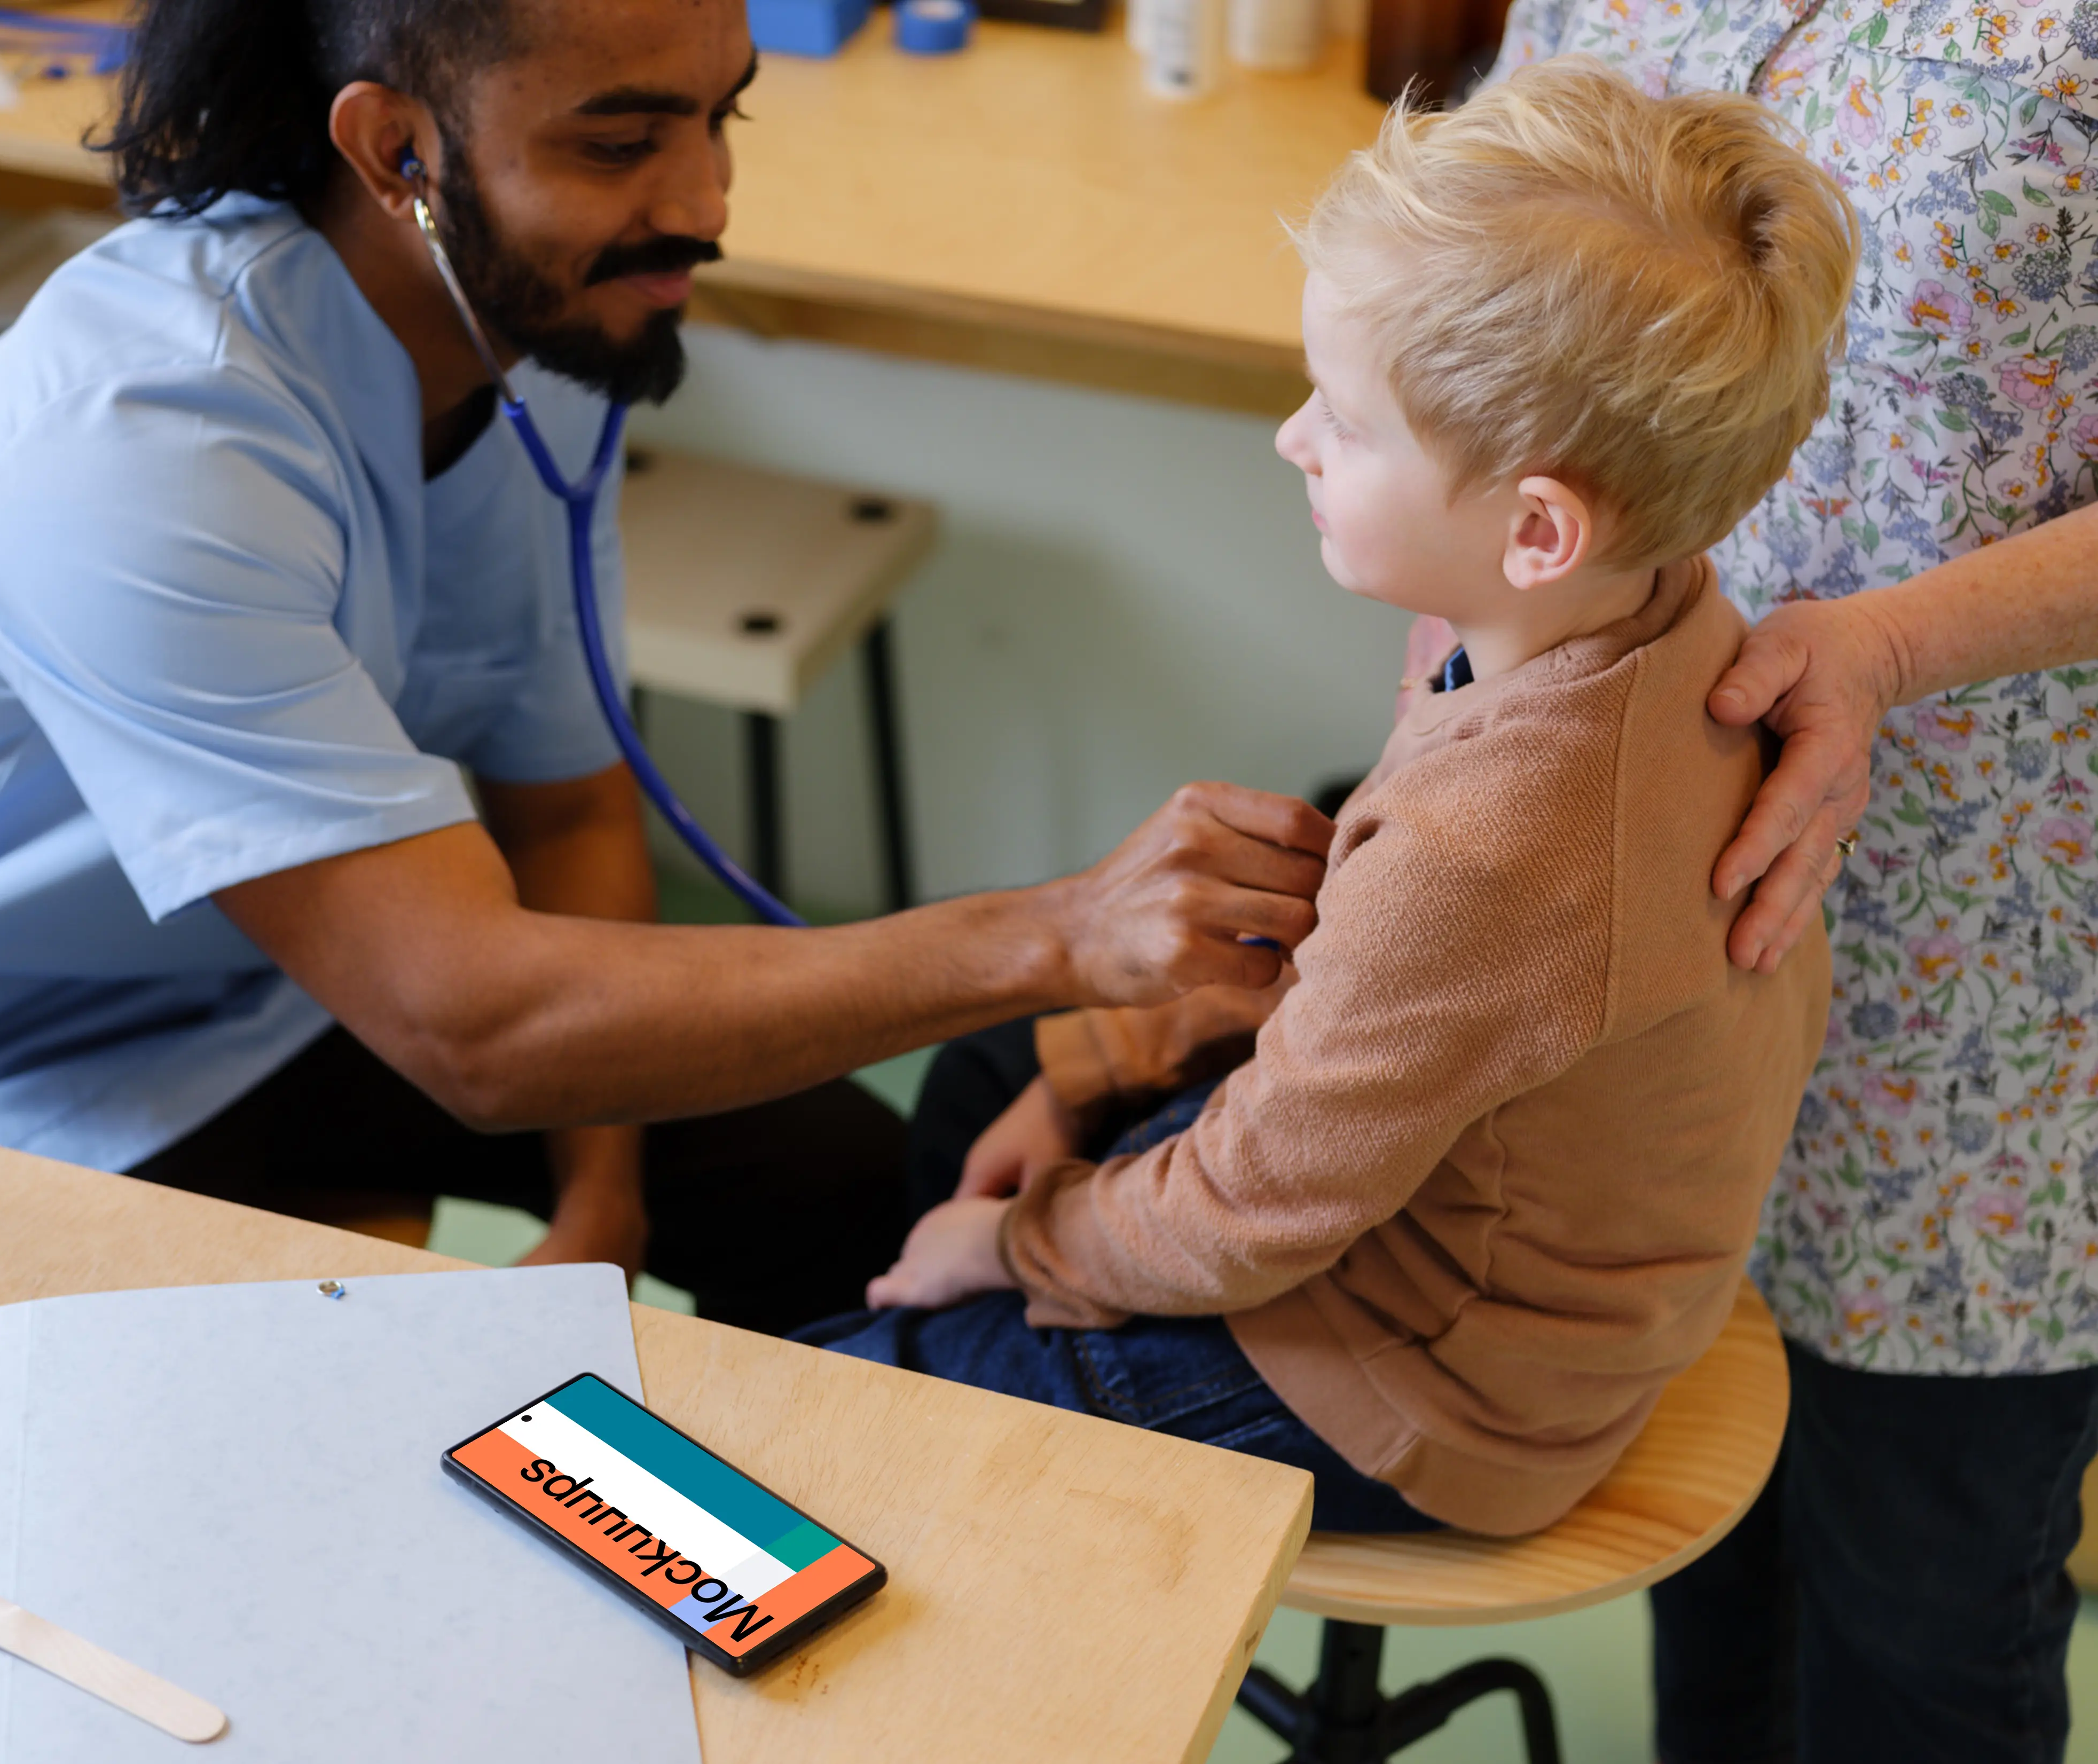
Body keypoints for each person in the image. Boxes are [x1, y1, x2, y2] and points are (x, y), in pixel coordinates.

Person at [0, 0, 1339, 1335]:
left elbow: (562, 812)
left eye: (720, 116)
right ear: (395, 146)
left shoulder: (536, 341)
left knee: (850, 1188)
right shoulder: (143, 448)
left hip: (261, 995)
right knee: (282, 1465)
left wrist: (601, 1200)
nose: (702, 206)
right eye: (621, 140)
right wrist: (1054, 933)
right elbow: (474, 1021)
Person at [793, 60, 1853, 1538]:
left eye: (1345, 423)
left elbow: (1246, 1212)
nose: (1294, 436)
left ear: (1535, 527)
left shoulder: (1496, 846)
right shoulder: (1654, 621)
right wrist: (1094, 1068)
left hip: (1430, 1387)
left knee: (822, 1415)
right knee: (996, 1077)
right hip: (1503, 1253)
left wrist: (1019, 1243)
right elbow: (1367, 1007)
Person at [1414, 10, 2098, 1764]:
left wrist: (1882, 646)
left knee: (1930, 1553)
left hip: (2008, 938)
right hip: (1629, 853)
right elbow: (1491, 318)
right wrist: (1436, 698)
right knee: (1678, 1364)